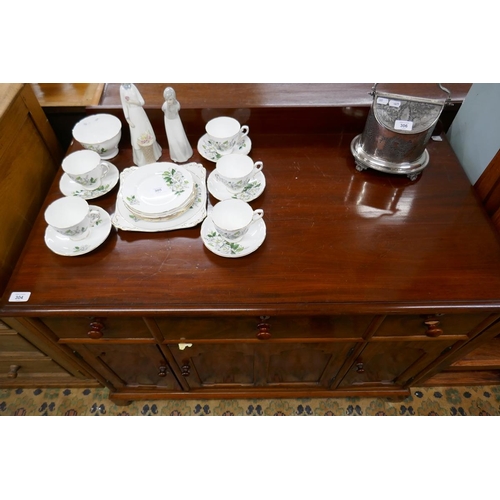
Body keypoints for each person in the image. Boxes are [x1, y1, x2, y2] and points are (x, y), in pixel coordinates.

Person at [120, 83, 162, 166]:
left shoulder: (133, 86)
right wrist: (127, 118)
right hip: (132, 115)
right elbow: (124, 105)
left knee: (145, 130)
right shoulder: (121, 88)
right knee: (136, 134)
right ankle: (142, 160)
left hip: (139, 111)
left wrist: (133, 101)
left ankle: (152, 155)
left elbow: (142, 102)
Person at [162, 87, 193, 163]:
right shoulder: (165, 106)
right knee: (172, 140)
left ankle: (185, 154)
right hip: (169, 122)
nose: (169, 101)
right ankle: (176, 156)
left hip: (176, 121)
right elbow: (164, 109)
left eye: (171, 99)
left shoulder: (177, 104)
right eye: (167, 99)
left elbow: (177, 110)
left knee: (181, 138)